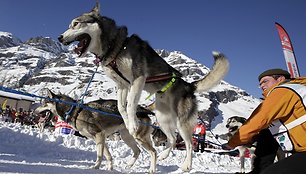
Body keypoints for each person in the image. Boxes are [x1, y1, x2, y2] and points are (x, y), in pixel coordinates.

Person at [223, 68, 306, 174]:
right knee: (266, 132)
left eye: (265, 81)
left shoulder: (283, 90)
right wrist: (251, 138)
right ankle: (259, 170)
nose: (262, 86)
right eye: (260, 84)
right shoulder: (296, 90)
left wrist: (232, 143)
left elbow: (257, 120)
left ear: (280, 79)